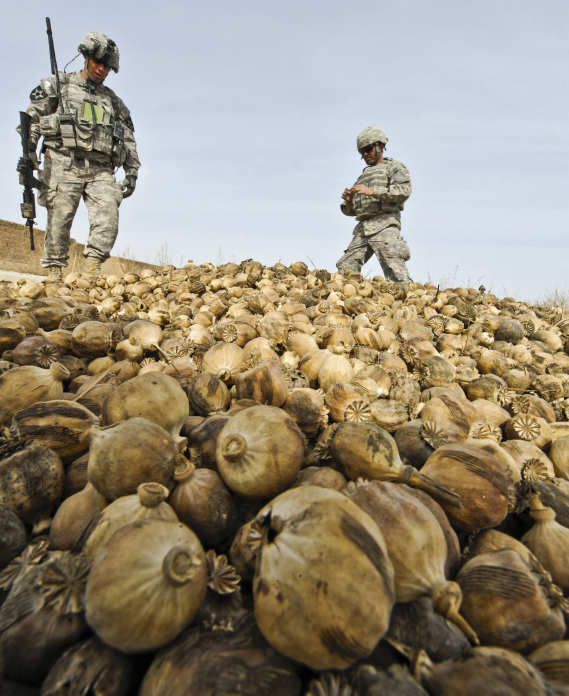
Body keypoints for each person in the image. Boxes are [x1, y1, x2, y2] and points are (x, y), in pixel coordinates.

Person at [18, 31, 140, 280]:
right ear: (85, 56)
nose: (101, 68)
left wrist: (132, 171)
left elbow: (127, 136)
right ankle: (55, 271)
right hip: (63, 162)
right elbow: (31, 120)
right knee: (59, 219)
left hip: (100, 169)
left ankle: (93, 268)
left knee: (108, 216)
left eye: (107, 66)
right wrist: (29, 152)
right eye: (97, 61)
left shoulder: (113, 102)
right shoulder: (58, 85)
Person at [336, 126, 412, 283]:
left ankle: (411, 303)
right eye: (362, 151)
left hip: (385, 225)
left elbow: (403, 191)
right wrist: (349, 202)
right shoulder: (363, 176)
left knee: (396, 273)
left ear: (380, 146)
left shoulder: (394, 167)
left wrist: (373, 191)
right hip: (363, 230)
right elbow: (353, 211)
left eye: (368, 149)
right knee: (345, 269)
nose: (365, 154)